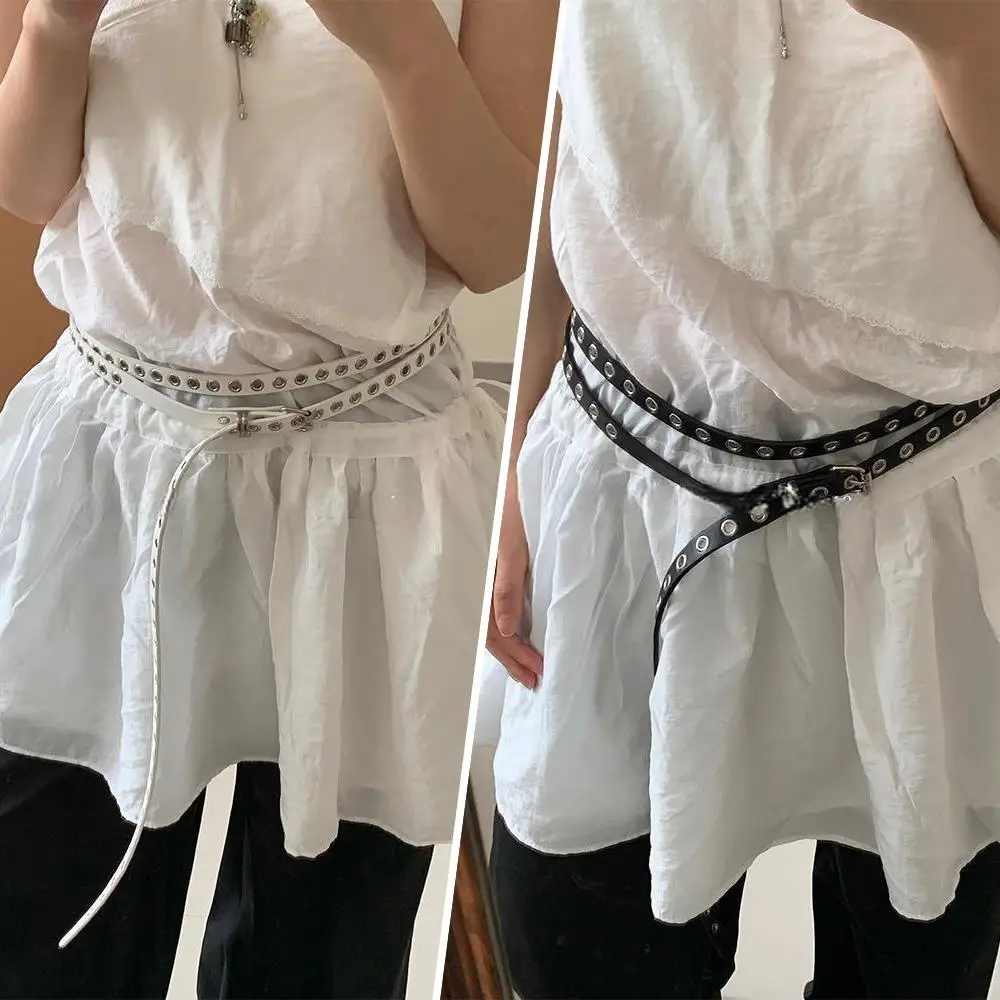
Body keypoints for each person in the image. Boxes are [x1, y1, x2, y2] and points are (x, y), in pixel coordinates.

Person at [0, 0, 556, 997]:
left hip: (375, 495)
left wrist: (402, 47)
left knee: (321, 946)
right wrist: (56, 25)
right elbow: (25, 186)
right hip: (110, 478)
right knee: (48, 912)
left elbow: (492, 247)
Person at [485, 2, 1000, 998]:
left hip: (935, 515)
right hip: (615, 476)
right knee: (574, 929)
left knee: (915, 947)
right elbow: (562, 103)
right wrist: (517, 443)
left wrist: (963, 35)